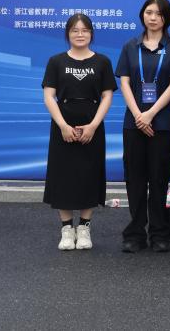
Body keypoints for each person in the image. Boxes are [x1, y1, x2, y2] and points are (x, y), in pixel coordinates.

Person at [41, 13, 116, 251]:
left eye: (84, 30)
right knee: (63, 175)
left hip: (92, 124)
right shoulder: (56, 61)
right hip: (62, 125)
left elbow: (107, 96)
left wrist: (93, 125)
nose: (80, 34)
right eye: (75, 30)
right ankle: (66, 229)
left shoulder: (102, 61)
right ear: (68, 34)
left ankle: (84, 227)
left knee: (89, 175)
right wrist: (62, 125)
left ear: (91, 34)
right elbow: (49, 96)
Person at [116, 0, 170, 253]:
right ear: (142, 14)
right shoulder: (130, 46)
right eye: (149, 12)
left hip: (161, 122)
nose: (153, 18)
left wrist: (150, 114)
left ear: (167, 18)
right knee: (135, 179)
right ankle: (135, 232)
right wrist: (138, 115)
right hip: (134, 123)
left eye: (158, 14)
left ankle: (159, 232)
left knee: (159, 178)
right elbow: (124, 82)